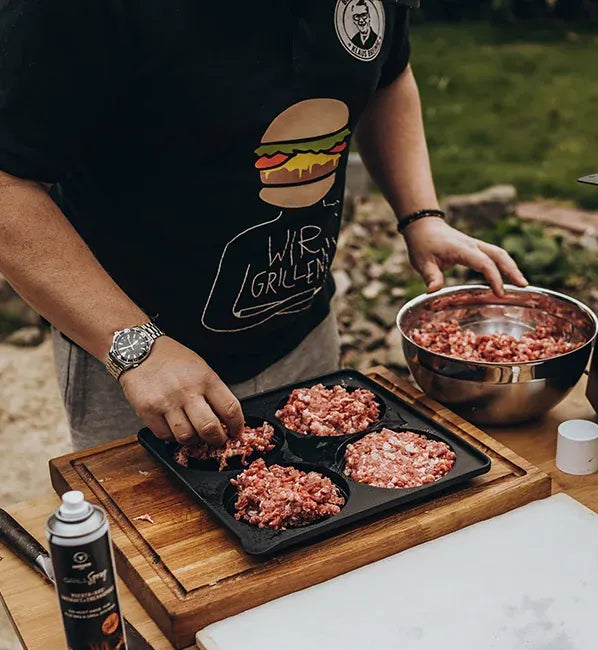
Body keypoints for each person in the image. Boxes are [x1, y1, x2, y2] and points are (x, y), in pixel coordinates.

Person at [0, 1, 526, 451]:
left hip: (305, 334)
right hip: (137, 364)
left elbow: (388, 75)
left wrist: (420, 216)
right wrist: (137, 348)